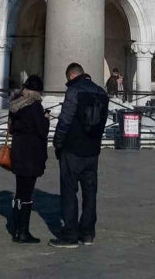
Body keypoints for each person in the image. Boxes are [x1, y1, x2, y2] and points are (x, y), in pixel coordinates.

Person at [50, 63, 109, 249]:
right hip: (92, 151)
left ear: (70, 76)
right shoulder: (101, 92)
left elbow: (65, 120)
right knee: (90, 193)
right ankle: (88, 233)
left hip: (73, 149)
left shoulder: (74, 91)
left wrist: (58, 144)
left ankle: (70, 235)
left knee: (69, 192)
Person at [6, 74, 49, 244]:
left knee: (19, 191)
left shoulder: (16, 106)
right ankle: (23, 232)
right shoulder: (34, 106)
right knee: (27, 194)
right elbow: (42, 131)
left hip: (18, 153)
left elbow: (13, 128)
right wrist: (45, 119)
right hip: (31, 155)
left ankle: (16, 228)